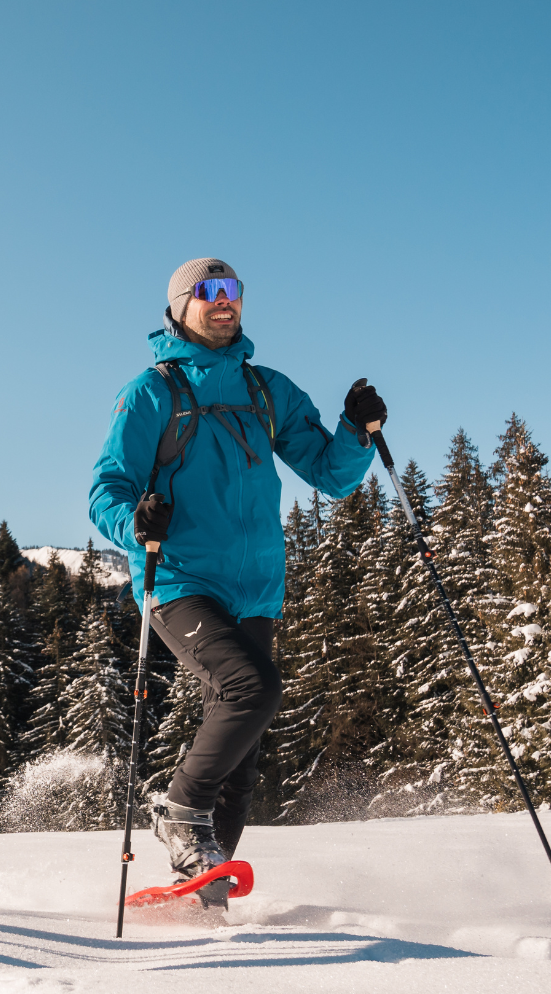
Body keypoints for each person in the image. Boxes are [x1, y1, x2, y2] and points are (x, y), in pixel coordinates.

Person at [89, 257, 386, 898]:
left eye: (235, 291)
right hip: (178, 580)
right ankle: (179, 810)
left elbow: (331, 475)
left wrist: (357, 430)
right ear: (180, 306)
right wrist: (134, 522)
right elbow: (105, 490)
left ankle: (203, 891)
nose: (226, 302)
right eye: (209, 291)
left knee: (243, 765)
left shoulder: (264, 390)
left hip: (256, 591)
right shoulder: (152, 392)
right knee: (251, 689)